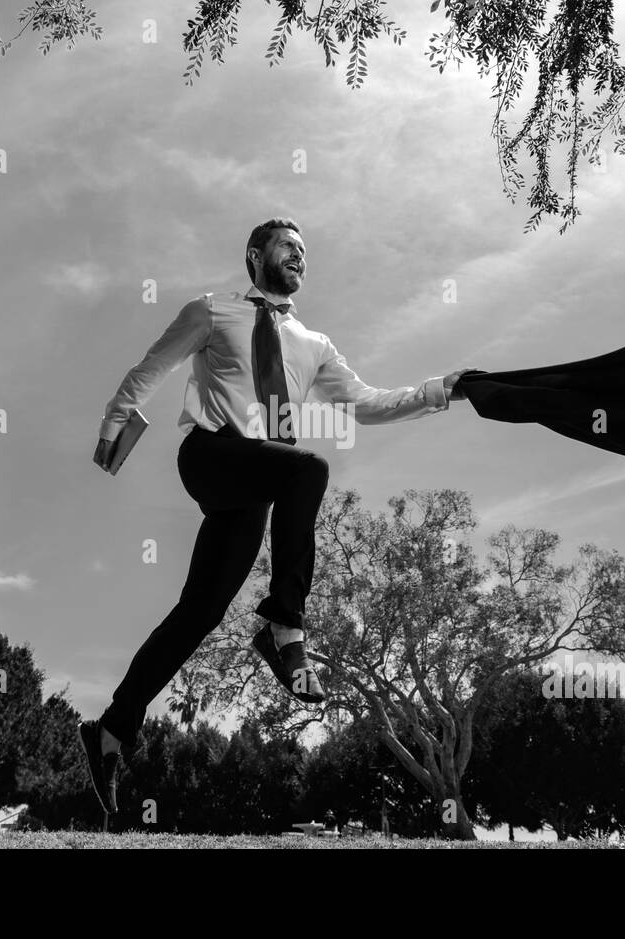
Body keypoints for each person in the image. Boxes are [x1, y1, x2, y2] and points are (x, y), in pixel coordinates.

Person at [78, 218, 475, 814]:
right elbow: (152, 367)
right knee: (307, 469)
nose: (300, 257)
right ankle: (284, 626)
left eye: (306, 251)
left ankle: (110, 731)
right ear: (255, 255)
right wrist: (117, 419)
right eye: (289, 247)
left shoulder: (314, 345)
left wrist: (441, 390)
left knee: (199, 615)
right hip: (210, 455)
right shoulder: (212, 312)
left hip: (254, 489)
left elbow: (368, 405)